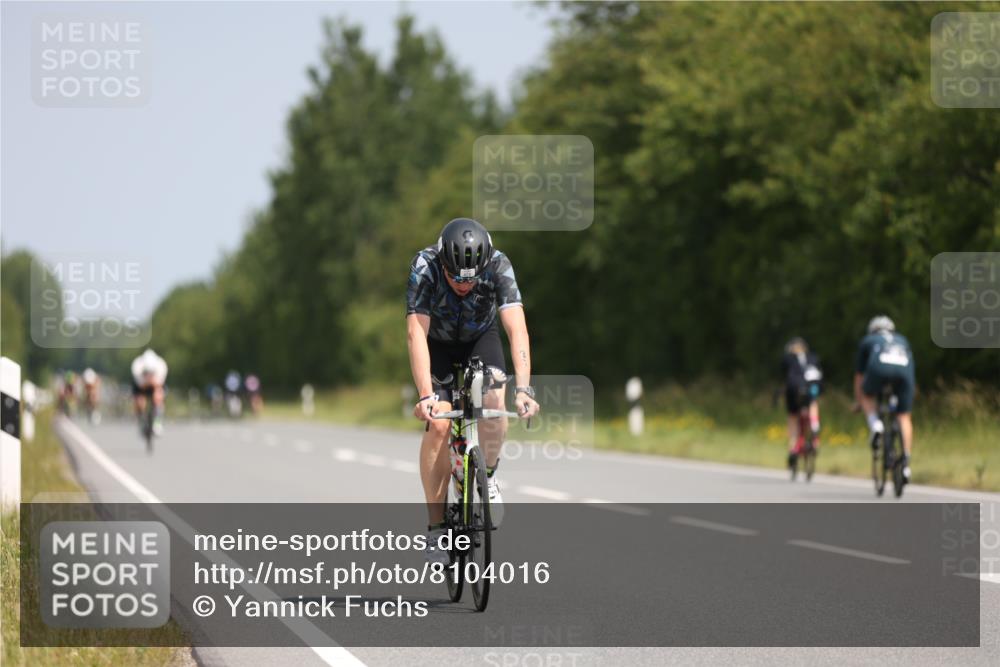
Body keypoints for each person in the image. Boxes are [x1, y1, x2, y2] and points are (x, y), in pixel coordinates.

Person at [406, 218, 540, 564]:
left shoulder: (498, 264)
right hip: (437, 343)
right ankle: (436, 529)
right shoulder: (425, 266)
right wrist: (425, 396)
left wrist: (524, 389)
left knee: (495, 395)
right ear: (444, 265)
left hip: (481, 338)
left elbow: (518, 330)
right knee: (439, 425)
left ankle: (489, 477)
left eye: (471, 279)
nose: (464, 286)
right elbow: (415, 334)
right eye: (455, 279)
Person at [854, 315, 915, 482]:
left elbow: (860, 376)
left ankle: (876, 424)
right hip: (904, 372)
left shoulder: (868, 340)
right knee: (904, 416)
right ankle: (906, 462)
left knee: (867, 395)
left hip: (879, 369)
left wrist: (859, 401)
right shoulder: (902, 339)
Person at [781, 337, 823, 469]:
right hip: (813, 387)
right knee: (813, 402)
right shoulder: (813, 357)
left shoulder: (788, 358)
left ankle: (793, 448)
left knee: (793, 417)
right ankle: (815, 425)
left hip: (794, 389)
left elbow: (784, 377)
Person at [131, 349, 168, 435]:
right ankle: (141, 420)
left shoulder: (161, 366)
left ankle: (157, 421)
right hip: (140, 386)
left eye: (151, 373)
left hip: (155, 385)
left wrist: (152, 382)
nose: (149, 375)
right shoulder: (137, 367)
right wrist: (147, 382)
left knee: (158, 397)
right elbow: (140, 386)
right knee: (140, 402)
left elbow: (159, 384)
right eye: (147, 373)